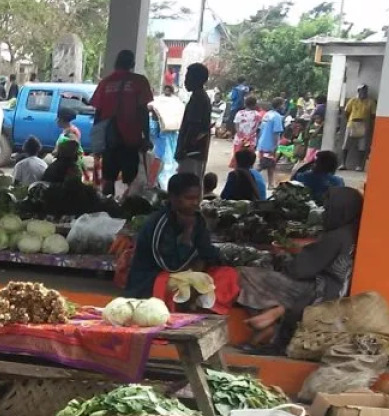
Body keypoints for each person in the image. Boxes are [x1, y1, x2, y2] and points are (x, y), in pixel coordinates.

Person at [238, 186, 364, 350]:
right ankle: (272, 317)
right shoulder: (351, 232)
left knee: (247, 274)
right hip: (334, 289)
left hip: (322, 292)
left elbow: (299, 269)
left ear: (339, 209)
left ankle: (270, 323)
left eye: (328, 208)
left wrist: (283, 255)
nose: (324, 213)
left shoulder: (336, 237)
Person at [125, 173, 238, 312]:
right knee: (184, 286)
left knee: (229, 274)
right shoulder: (159, 223)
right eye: (189, 198)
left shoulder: (198, 219)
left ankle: (207, 308)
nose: (195, 202)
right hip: (152, 278)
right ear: (173, 198)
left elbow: (207, 252)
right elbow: (171, 266)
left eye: (198, 197)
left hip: (190, 272)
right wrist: (187, 234)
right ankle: (187, 310)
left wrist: (208, 262)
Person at [89, 50, 154, 194]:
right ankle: (128, 208)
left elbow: (98, 115)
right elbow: (144, 112)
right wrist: (147, 138)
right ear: (132, 63)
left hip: (110, 139)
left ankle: (108, 208)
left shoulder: (105, 83)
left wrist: (97, 144)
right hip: (131, 139)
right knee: (132, 180)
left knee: (108, 178)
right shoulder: (139, 82)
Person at [176, 63, 213, 181]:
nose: (185, 81)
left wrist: (183, 149)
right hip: (194, 152)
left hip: (192, 152)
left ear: (197, 79)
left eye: (188, 77)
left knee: (187, 183)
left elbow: (193, 127)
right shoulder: (199, 96)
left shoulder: (198, 98)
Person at [341, 85, 375, 171]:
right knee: (346, 145)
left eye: (365, 91)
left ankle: (359, 166)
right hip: (351, 124)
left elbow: (373, 115)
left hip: (363, 125)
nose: (363, 92)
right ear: (358, 91)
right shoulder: (352, 100)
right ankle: (343, 164)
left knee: (362, 146)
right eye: (361, 90)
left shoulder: (370, 102)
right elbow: (346, 112)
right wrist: (350, 121)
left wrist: (369, 125)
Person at [256, 98, 286, 190]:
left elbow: (260, 129)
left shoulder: (267, 114)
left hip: (262, 143)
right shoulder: (277, 117)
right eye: (283, 104)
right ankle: (250, 176)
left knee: (270, 165)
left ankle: (270, 184)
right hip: (270, 145)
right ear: (279, 105)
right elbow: (276, 133)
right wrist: (276, 145)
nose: (284, 106)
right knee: (264, 164)